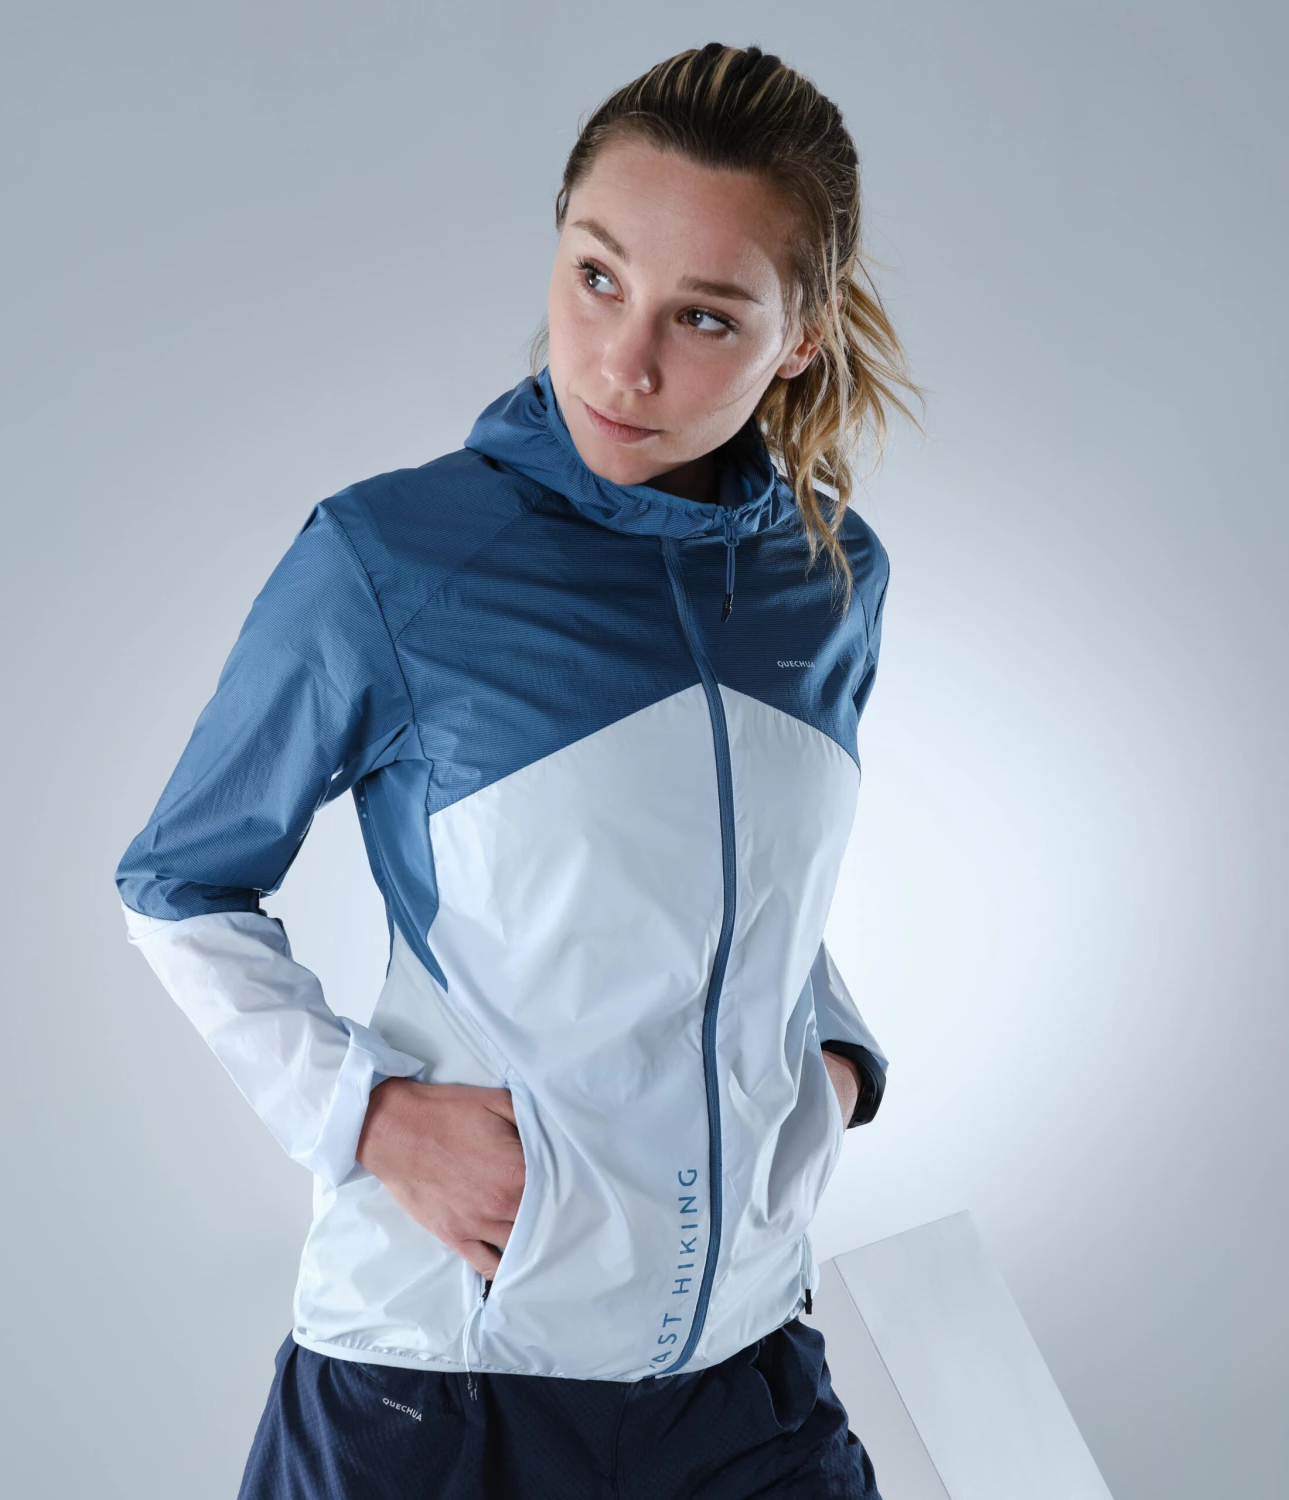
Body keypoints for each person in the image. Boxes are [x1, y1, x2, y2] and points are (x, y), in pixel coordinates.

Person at [115, 41, 924, 1500]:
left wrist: (832, 1061)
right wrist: (362, 1116)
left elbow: (740, 880)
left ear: (798, 337)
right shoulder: (393, 559)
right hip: (444, 1385)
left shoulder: (829, 580)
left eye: (705, 316)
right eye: (597, 276)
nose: (623, 361)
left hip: (745, 1371)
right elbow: (178, 886)